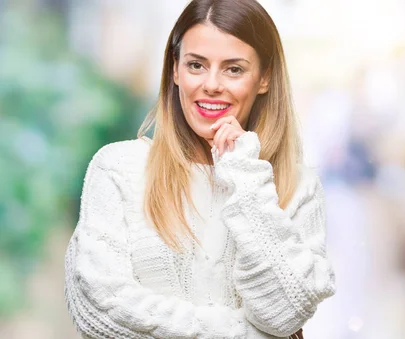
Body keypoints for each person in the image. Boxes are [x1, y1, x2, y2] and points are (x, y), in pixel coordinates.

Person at [63, 1, 336, 338]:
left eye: (233, 69)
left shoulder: (297, 185)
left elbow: (284, 313)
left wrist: (244, 176)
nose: (212, 84)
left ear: (263, 78)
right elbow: (101, 312)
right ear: (175, 70)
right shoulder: (118, 169)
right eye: (196, 65)